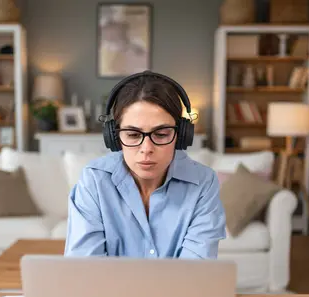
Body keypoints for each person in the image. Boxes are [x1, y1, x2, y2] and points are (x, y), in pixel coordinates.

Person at [64, 71, 226, 259]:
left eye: (161, 134)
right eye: (133, 135)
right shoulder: (94, 180)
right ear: (114, 137)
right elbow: (85, 269)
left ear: (181, 135)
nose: (147, 148)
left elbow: (196, 272)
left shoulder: (203, 183)